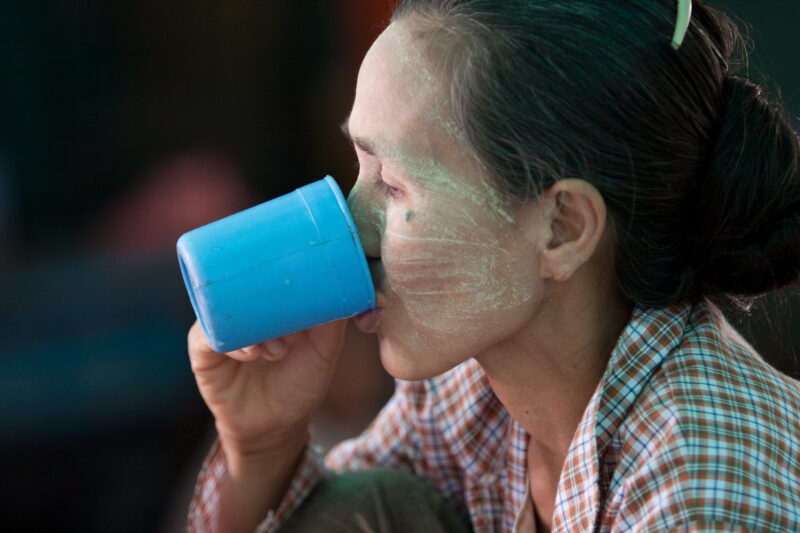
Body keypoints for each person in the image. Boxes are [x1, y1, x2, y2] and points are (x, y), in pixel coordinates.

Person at [186, 1, 800, 531]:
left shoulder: (701, 496)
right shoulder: (474, 387)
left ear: (562, 229)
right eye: (358, 167)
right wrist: (260, 446)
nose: (352, 232)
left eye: (392, 185)